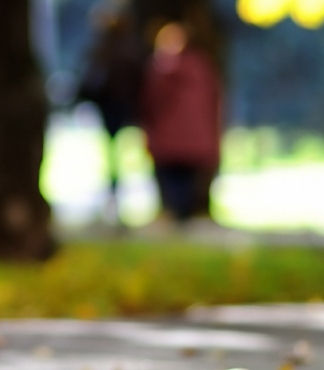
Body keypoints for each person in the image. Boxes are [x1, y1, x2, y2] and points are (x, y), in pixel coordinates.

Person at [139, 22, 220, 224]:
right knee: (185, 183)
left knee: (175, 183)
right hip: (193, 139)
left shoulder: (160, 70)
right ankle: (185, 216)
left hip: (168, 139)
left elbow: (150, 103)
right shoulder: (201, 66)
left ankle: (179, 216)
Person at [76, 12, 146, 226]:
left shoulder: (105, 50)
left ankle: (114, 196)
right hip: (123, 109)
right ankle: (114, 197)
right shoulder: (129, 49)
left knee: (115, 155)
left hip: (112, 107)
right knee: (119, 155)